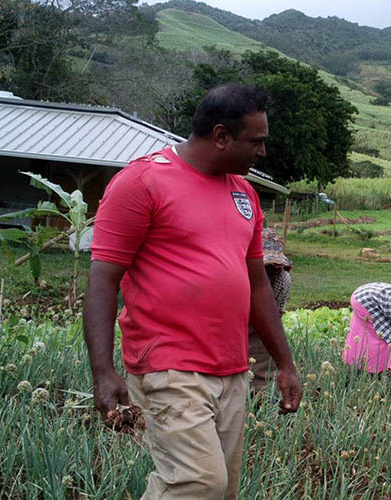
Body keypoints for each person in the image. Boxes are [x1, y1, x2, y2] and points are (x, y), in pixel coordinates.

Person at [83, 84, 302, 500]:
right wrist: (102, 370)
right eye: (256, 141)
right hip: (168, 364)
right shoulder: (143, 182)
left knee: (222, 491)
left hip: (232, 368)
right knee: (199, 484)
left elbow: (257, 283)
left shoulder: (245, 194)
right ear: (221, 136)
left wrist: (284, 364)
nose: (263, 152)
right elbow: (103, 279)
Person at [249, 227, 291, 392]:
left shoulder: (282, 278)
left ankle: (261, 395)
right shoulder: (238, 273)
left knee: (262, 360)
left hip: (265, 320)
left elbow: (276, 312)